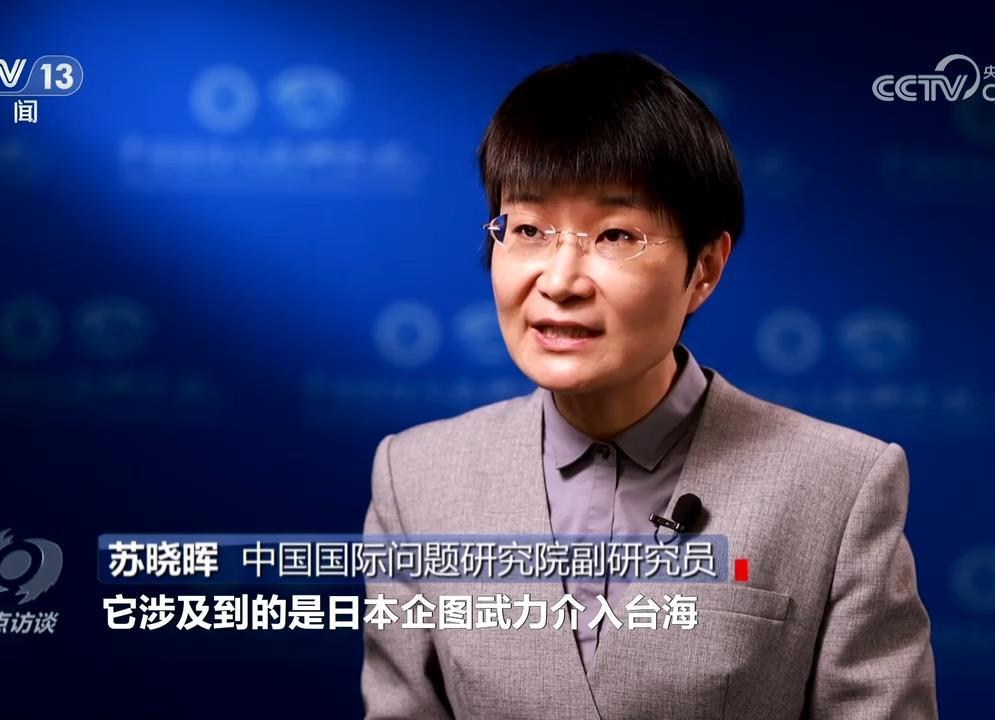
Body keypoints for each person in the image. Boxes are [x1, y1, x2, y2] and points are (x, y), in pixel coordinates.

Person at [361, 51, 937, 719]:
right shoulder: (416, 477)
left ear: (705, 268)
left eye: (614, 235)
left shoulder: (838, 486)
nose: (560, 281)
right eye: (528, 229)